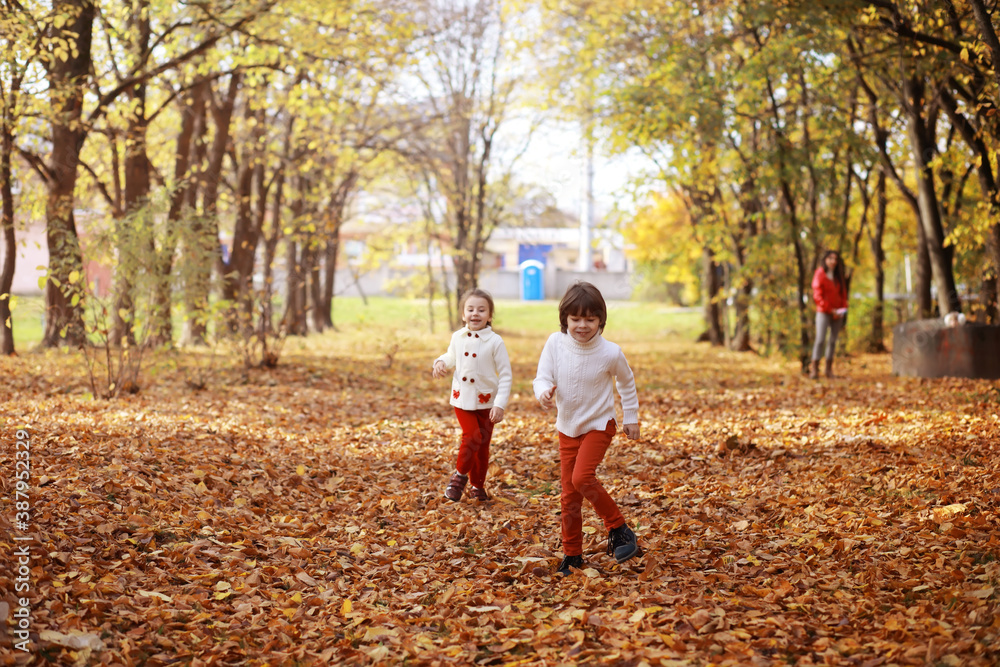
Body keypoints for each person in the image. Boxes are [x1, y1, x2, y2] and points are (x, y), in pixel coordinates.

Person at [532, 282, 642, 576]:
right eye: (575, 319)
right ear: (565, 318)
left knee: (582, 477)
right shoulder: (555, 343)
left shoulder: (610, 353)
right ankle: (573, 555)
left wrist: (630, 417)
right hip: (567, 426)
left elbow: (626, 383)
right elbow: (541, 377)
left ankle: (618, 528)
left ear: (600, 321)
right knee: (569, 495)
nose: (582, 326)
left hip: (599, 424)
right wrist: (543, 392)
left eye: (590, 319)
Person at [432, 289, 512, 502]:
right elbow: (451, 355)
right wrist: (441, 362)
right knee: (472, 437)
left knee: (482, 445)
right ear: (463, 314)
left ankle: (477, 486)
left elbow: (505, 375)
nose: (475, 313)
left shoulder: (495, 341)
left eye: (481, 309)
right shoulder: (458, 337)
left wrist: (500, 404)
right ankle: (458, 478)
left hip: (487, 401)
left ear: (489, 315)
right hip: (462, 399)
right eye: (470, 309)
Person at [810, 250, 849, 379]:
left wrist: (842, 309)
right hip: (823, 312)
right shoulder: (820, 274)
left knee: (832, 341)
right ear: (825, 259)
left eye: (835, 259)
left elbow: (843, 294)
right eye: (831, 258)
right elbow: (817, 295)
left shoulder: (839, 276)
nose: (833, 261)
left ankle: (828, 370)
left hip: (837, 313)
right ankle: (815, 369)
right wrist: (829, 309)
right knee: (820, 339)